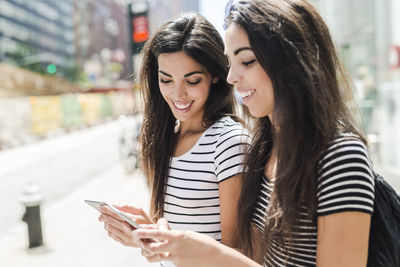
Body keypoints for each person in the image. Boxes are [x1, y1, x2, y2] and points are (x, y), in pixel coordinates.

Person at [133, 1, 375, 266]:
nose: (231, 77)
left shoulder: (341, 157)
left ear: (291, 61)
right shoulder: (266, 149)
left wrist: (207, 252)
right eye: (230, 62)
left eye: (246, 61)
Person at [98, 12, 250, 267]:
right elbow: (175, 233)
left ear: (215, 75)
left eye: (192, 80)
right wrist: (144, 232)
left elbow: (237, 252)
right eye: (166, 79)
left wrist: (170, 247)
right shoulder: (164, 137)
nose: (178, 94)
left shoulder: (228, 142)